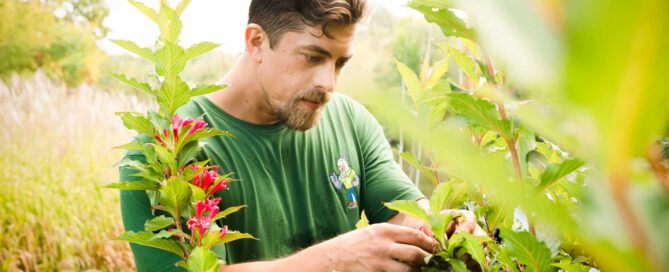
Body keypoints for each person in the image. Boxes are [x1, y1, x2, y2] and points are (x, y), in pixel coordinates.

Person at [120, 0, 484, 271]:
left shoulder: (350, 119)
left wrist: (444, 225)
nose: (328, 83)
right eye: (313, 57)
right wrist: (333, 260)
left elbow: (401, 213)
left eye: (340, 62)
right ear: (256, 42)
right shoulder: (167, 150)